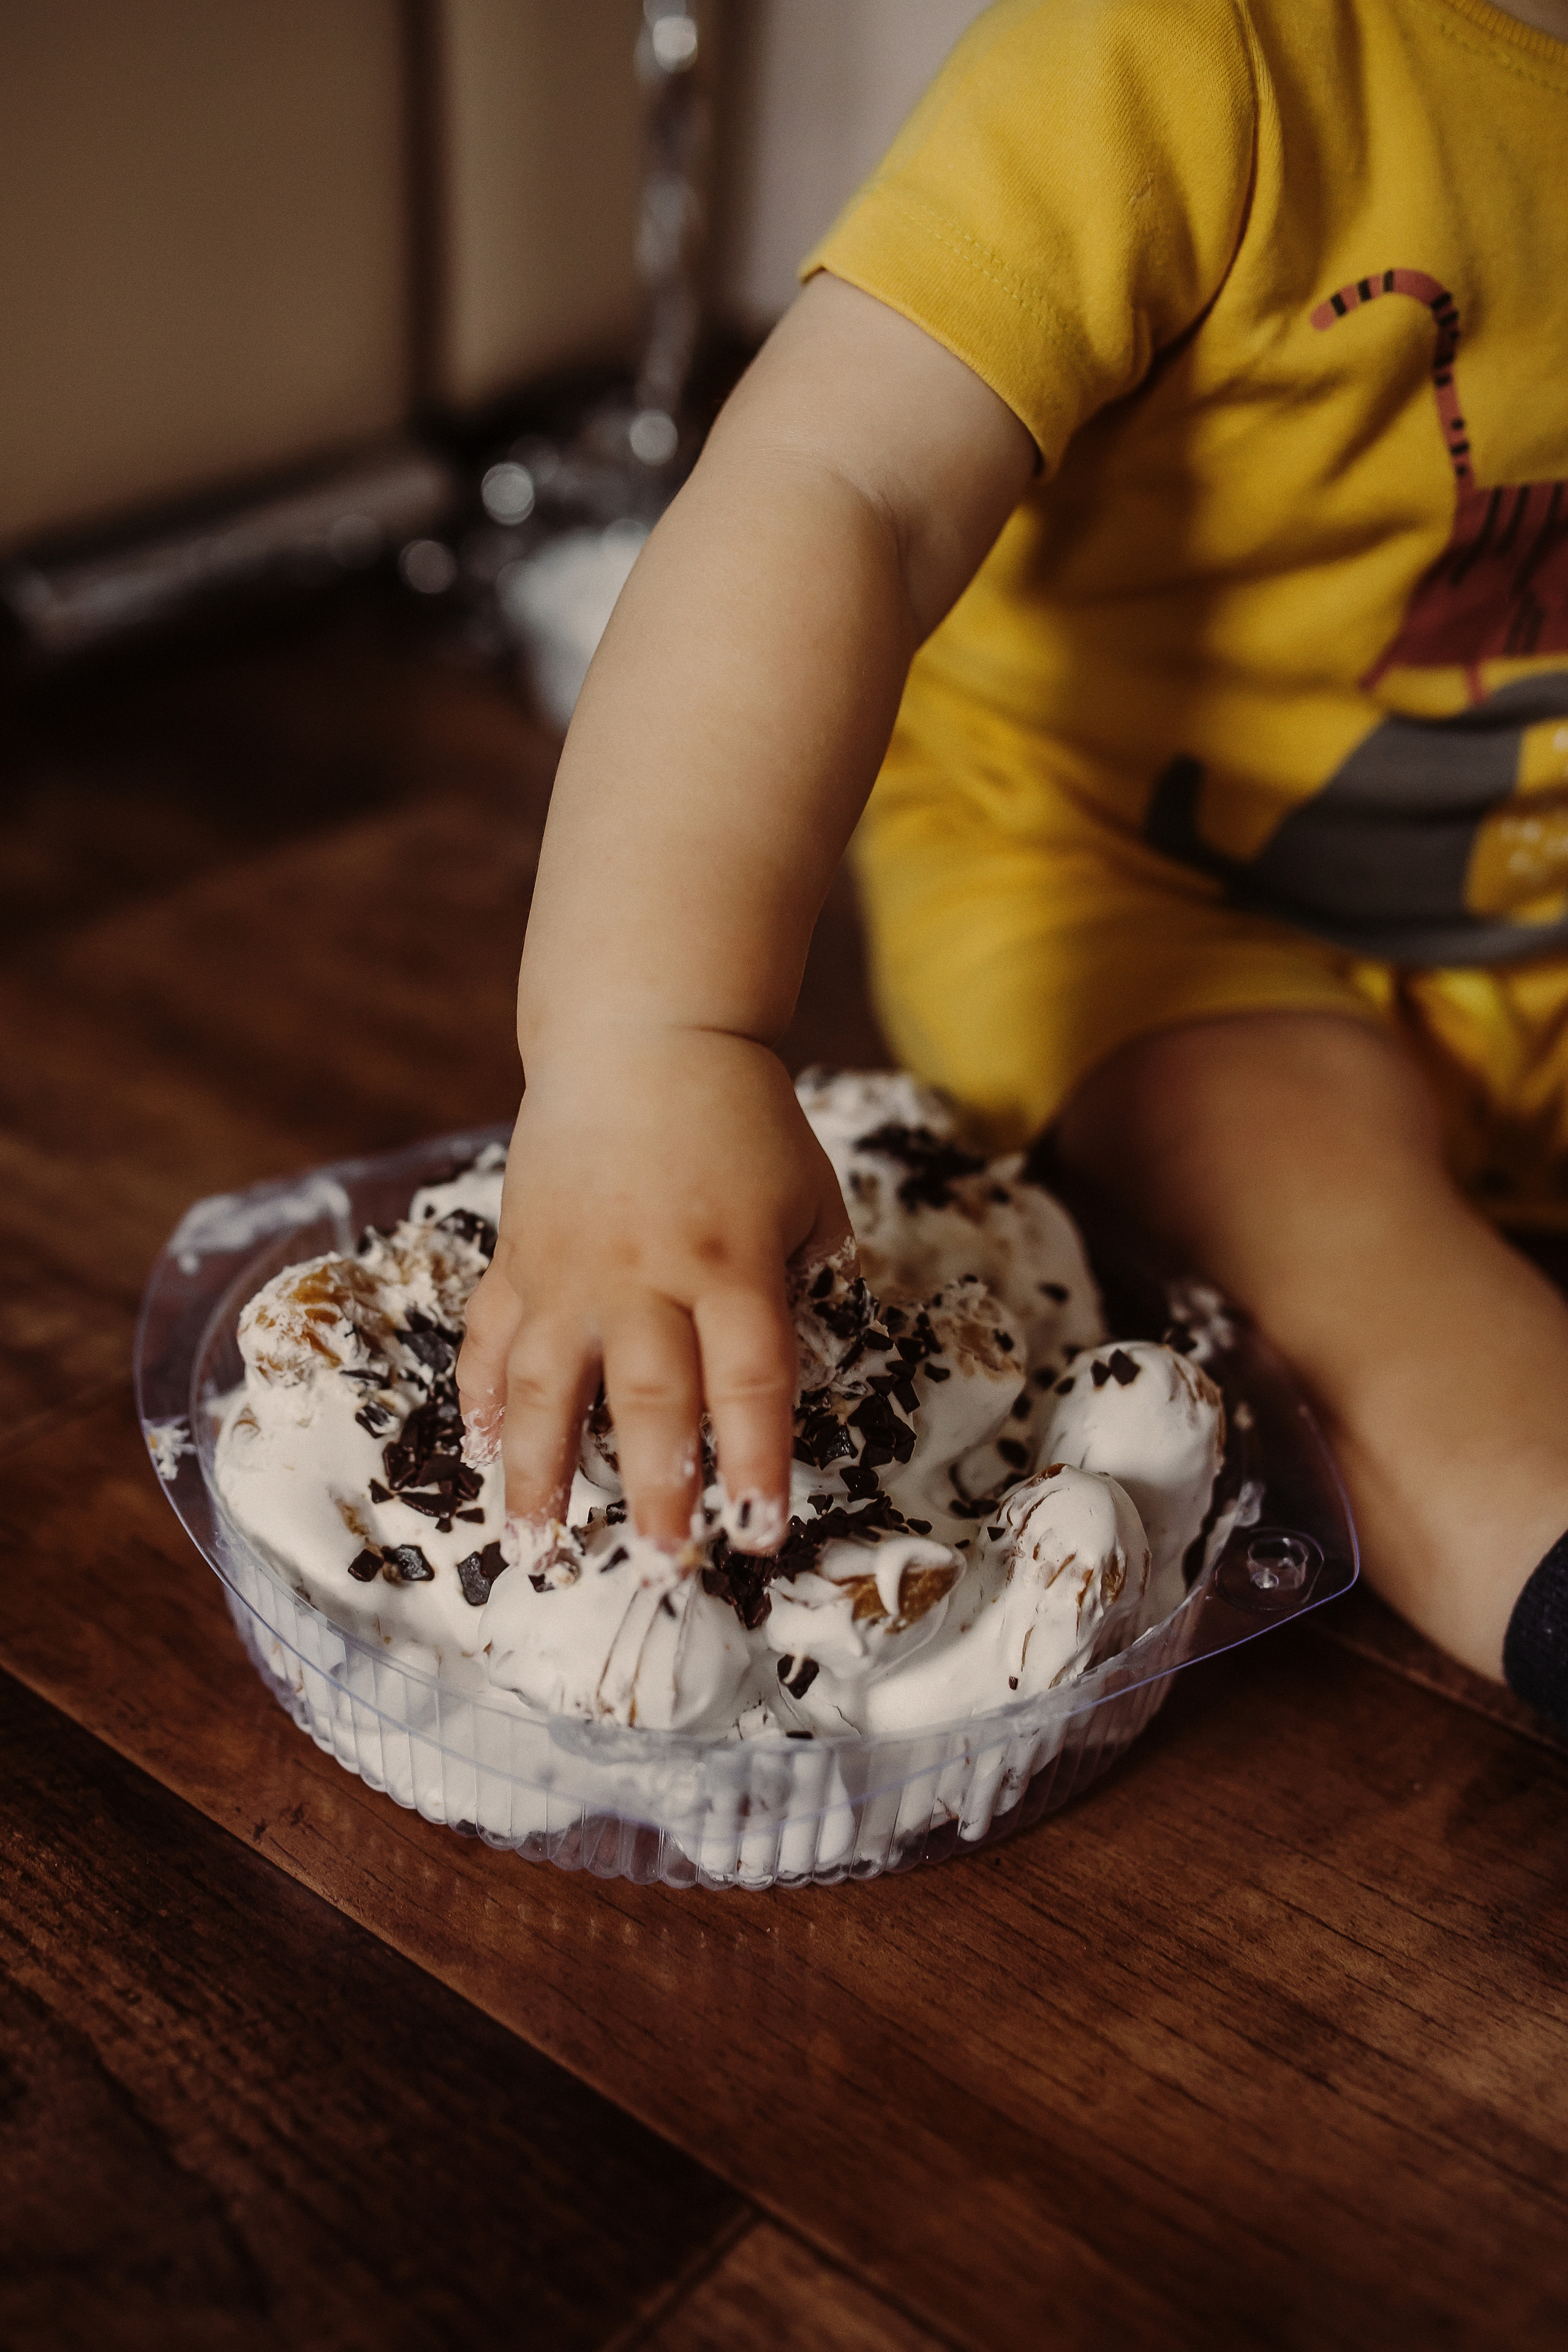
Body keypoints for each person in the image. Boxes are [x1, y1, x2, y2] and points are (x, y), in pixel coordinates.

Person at [458, 0, 1568, 1729]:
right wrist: (646, 1033)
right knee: (1320, 1240)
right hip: (1144, 909)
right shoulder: (1186, 52)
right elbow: (836, 489)